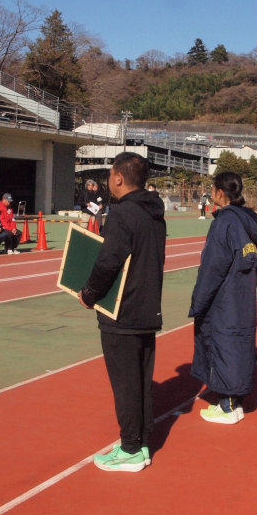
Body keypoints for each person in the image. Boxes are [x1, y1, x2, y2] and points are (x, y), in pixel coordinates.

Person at [81, 152, 166, 473]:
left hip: (122, 311)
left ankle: (131, 449)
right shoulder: (154, 213)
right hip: (147, 308)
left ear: (118, 177)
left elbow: (108, 261)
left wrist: (89, 293)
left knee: (126, 384)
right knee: (142, 381)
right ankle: (140, 442)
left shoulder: (122, 214)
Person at [189, 172, 257, 424]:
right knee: (238, 344)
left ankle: (228, 404)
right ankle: (234, 402)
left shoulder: (225, 222)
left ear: (220, 192)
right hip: (244, 293)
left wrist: (198, 301)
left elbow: (213, 266)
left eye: (213, 189)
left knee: (223, 345)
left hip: (225, 296)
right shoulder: (250, 220)